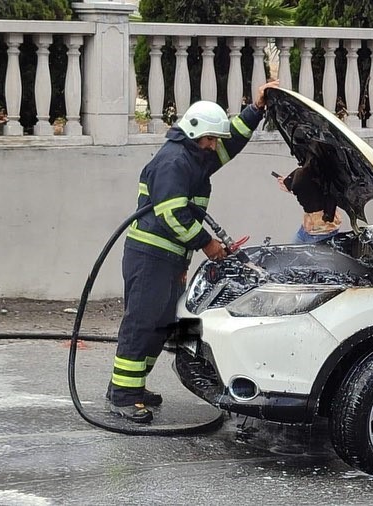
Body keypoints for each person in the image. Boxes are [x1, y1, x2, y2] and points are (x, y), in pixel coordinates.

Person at [107, 81, 278, 423]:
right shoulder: (174, 163)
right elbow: (174, 216)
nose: (215, 145)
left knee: (163, 324)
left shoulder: (195, 156)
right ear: (195, 133)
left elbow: (231, 144)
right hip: (150, 256)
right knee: (142, 323)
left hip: (168, 258)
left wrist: (256, 109)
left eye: (215, 139)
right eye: (211, 139)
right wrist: (208, 245)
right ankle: (122, 394)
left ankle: (132, 386)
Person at [276, 169, 342, 244]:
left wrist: (292, 184)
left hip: (322, 234)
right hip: (305, 231)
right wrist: (290, 182)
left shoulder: (324, 191)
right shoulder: (311, 187)